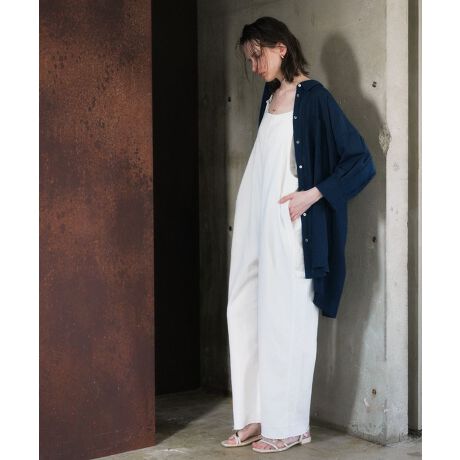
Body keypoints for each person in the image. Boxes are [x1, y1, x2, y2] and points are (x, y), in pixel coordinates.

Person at [221, 16, 376, 454]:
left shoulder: (316, 98)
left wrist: (314, 194)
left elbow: (361, 161)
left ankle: (289, 425)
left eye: (259, 56)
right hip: (253, 222)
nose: (255, 66)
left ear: (281, 48)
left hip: (290, 229)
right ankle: (255, 416)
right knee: (243, 309)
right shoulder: (270, 97)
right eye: (250, 59)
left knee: (285, 320)